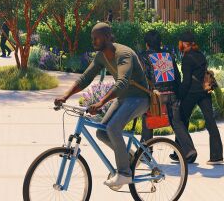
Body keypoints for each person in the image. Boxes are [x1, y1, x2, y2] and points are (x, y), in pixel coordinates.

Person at [52, 22, 152, 190]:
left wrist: (101, 102)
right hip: (123, 99)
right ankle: (131, 158)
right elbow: (85, 78)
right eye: (92, 38)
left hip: (139, 98)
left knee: (113, 128)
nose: (93, 42)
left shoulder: (123, 54)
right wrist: (65, 95)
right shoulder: (101, 56)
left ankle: (124, 173)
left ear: (106, 37)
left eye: (96, 38)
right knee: (102, 132)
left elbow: (121, 83)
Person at [140, 31, 196, 163]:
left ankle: (146, 153)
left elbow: (145, 76)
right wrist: (178, 93)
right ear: (160, 43)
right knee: (177, 122)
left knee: (148, 121)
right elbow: (177, 75)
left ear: (147, 45)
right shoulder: (169, 55)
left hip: (155, 95)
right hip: (172, 94)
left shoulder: (143, 56)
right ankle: (189, 151)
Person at [176, 31, 224, 164]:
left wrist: (179, 95)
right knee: (210, 122)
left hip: (191, 93)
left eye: (180, 42)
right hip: (204, 91)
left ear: (184, 44)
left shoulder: (187, 58)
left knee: (180, 119)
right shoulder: (200, 55)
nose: (179, 44)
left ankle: (183, 152)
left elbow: (186, 82)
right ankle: (217, 156)